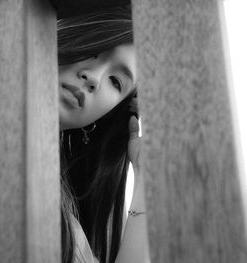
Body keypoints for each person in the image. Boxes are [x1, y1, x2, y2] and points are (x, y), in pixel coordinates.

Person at [57, 7, 149, 263]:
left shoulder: (66, 212)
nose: (94, 78)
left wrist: (146, 176)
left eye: (116, 81)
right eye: (93, 50)